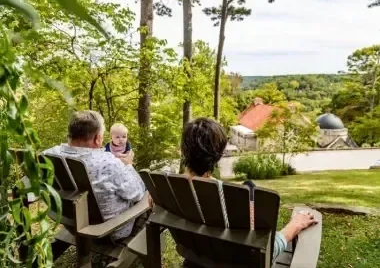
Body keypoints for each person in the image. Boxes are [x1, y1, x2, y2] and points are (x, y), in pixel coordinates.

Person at [179, 117, 318, 261]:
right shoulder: (232, 200)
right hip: (235, 262)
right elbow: (264, 252)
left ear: (182, 151)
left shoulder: (168, 190)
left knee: (248, 186)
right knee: (249, 188)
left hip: (196, 258)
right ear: (218, 155)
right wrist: (294, 226)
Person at [44, 110, 146, 239]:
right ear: (98, 138)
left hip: (71, 224)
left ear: (70, 134)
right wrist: (128, 165)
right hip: (107, 231)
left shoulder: (49, 155)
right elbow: (137, 194)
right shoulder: (109, 163)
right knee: (147, 195)